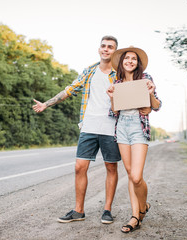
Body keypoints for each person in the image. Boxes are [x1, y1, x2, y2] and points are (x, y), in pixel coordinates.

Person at [32, 36, 139, 224]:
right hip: (88, 125)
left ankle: (107, 210)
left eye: (110, 47)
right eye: (103, 46)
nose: (106, 49)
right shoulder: (89, 71)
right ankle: (78, 211)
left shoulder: (120, 74)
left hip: (111, 126)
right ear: (99, 49)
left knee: (111, 167)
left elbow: (132, 94)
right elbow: (69, 89)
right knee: (79, 167)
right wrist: (46, 104)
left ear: (115, 51)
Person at [106, 46, 162, 233]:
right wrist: (112, 97)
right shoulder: (117, 82)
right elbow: (114, 111)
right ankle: (136, 215)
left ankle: (143, 205)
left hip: (139, 127)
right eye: (127, 58)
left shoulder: (145, 79)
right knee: (130, 174)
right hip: (122, 127)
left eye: (134, 59)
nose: (130, 61)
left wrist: (151, 93)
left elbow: (156, 106)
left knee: (137, 176)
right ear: (121, 62)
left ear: (137, 63)